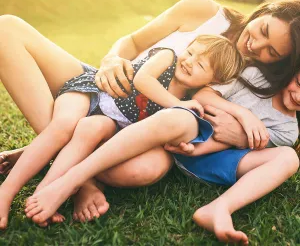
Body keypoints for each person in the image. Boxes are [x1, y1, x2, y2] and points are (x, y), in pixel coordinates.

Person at [0, 0, 300, 237]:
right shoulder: (204, 11)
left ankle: (65, 163)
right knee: (7, 29)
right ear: (265, 10)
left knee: (139, 171)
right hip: (117, 89)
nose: (255, 45)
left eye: (271, 52)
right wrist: (111, 60)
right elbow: (131, 43)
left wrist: (237, 132)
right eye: (262, 31)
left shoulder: (250, 72)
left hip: (150, 129)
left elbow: (225, 119)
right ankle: (75, 173)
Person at [24, 69, 300, 246]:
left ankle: (219, 208)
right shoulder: (257, 76)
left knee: (288, 157)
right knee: (129, 167)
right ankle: (72, 179)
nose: (298, 95)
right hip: (180, 131)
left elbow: (251, 146)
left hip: (213, 158)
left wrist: (198, 150)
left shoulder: (289, 129)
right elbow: (205, 94)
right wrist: (243, 114)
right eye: (299, 82)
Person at [0, 34, 244, 224]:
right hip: (93, 93)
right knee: (62, 126)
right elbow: (142, 80)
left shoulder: (192, 98)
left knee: (90, 129)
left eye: (200, 64)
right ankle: (6, 192)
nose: (189, 61)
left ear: (213, 81)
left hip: (110, 121)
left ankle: (46, 193)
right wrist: (178, 103)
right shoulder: (168, 57)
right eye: (190, 52)